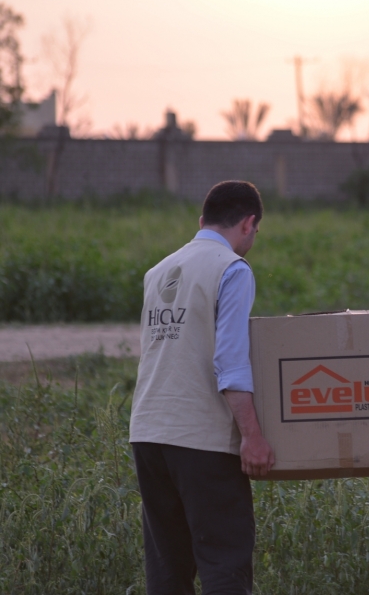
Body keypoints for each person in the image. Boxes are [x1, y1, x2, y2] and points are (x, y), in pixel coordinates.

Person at [129, 180, 275, 595]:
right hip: (202, 442)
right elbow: (229, 362)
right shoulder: (231, 268)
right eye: (256, 232)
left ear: (202, 222)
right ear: (248, 224)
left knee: (168, 573)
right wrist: (252, 437)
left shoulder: (157, 272)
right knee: (224, 567)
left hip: (148, 434)